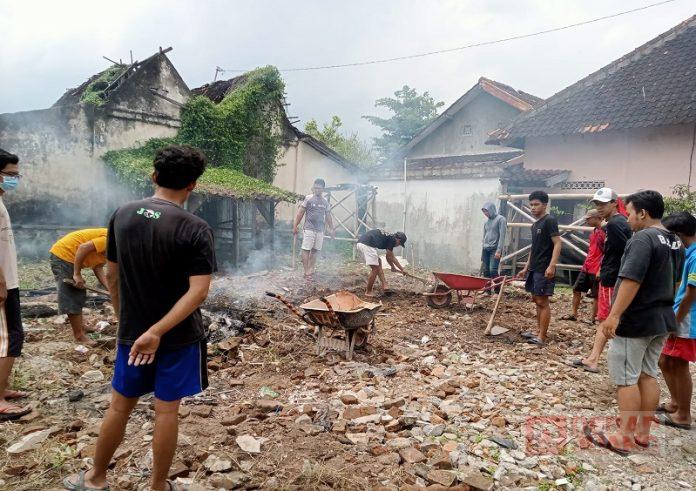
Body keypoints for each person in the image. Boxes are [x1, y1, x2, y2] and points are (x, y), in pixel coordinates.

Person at [63, 145, 216, 491]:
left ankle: (95, 477)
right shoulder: (196, 228)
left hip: (133, 334)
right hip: (178, 337)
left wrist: (126, 322)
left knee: (119, 407)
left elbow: (112, 275)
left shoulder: (123, 214)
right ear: (193, 184)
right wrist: (158, 332)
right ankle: (158, 486)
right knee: (166, 411)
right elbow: (198, 292)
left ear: (154, 175)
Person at [587, 190, 682, 455]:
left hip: (637, 319)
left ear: (642, 213)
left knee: (626, 378)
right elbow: (675, 281)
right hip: (662, 317)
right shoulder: (674, 240)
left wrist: (614, 315)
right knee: (647, 374)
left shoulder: (642, 239)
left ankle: (624, 437)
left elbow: (631, 279)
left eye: (629, 213)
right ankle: (642, 432)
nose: (627, 218)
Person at [574, 188, 631, 372]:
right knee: (608, 318)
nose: (599, 207)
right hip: (615, 275)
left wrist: (607, 270)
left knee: (605, 319)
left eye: (603, 203)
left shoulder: (614, 224)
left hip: (611, 277)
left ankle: (594, 359)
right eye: (597, 204)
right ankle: (595, 357)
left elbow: (625, 251)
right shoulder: (620, 222)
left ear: (614, 203)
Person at [656, 211, 696, 430]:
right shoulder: (690, 253)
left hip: (686, 318)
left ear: (678, 235)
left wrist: (676, 320)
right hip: (680, 313)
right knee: (665, 361)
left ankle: (684, 415)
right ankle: (675, 403)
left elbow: (692, 293)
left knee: (679, 364)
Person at [0, 149, 30, 421]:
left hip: (9, 280)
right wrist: (1, 282)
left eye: (16, 175)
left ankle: (3, 387)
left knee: (11, 336)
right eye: (10, 174)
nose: (14, 179)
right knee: (9, 338)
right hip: (3, 283)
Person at [517, 190, 562, 346]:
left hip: (544, 268)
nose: (533, 207)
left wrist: (552, 265)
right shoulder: (535, 224)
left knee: (542, 301)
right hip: (535, 268)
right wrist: (526, 267)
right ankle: (538, 331)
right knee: (536, 299)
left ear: (545, 205)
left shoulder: (549, 221)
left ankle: (542, 337)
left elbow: (558, 243)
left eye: (536, 204)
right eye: (531, 205)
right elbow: (534, 248)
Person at [49, 228, 108, 344]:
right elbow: (83, 247)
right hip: (64, 255)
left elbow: (98, 267)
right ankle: (79, 336)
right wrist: (76, 274)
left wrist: (109, 289)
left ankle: (81, 327)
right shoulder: (111, 240)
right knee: (72, 295)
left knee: (79, 293)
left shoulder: (116, 246)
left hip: (68, 256)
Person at [563, 209, 605, 323]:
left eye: (588, 219)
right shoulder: (595, 231)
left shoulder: (604, 232)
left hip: (597, 268)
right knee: (576, 289)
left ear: (596, 218)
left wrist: (601, 269)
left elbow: (607, 252)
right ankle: (574, 314)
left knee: (596, 295)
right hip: (587, 266)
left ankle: (592, 318)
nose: (586, 221)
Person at [293, 178, 334, 281]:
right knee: (306, 249)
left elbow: (328, 216)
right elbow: (300, 213)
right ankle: (306, 271)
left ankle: (311, 269)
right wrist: (295, 225)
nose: (316, 190)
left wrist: (331, 229)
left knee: (315, 250)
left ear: (323, 189)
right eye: (315, 188)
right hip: (309, 228)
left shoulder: (325, 202)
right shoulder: (308, 198)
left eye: (319, 188)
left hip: (320, 230)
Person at [356, 229, 407, 297]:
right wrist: (402, 269)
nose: (398, 245)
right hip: (367, 244)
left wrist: (393, 267)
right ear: (398, 240)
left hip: (362, 243)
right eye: (400, 244)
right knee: (375, 269)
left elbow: (389, 256)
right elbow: (391, 257)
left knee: (378, 262)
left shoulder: (390, 237)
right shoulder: (392, 240)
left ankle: (385, 285)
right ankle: (368, 291)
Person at [481, 202, 507, 292]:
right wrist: (482, 252)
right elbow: (484, 237)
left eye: (486, 211)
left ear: (491, 210)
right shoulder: (486, 222)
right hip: (486, 249)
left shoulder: (501, 219)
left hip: (495, 249)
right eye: (484, 212)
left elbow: (502, 236)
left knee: (493, 270)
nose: (485, 213)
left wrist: (499, 250)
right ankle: (487, 291)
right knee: (486, 271)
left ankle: (497, 291)